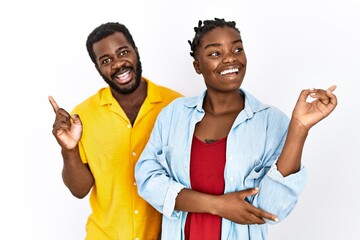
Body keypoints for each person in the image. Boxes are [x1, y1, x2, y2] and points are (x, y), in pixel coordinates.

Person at [135, 18, 337, 240]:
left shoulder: (271, 122)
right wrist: (217, 205)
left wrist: (299, 128)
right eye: (215, 53)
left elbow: (272, 210)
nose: (231, 58)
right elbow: (147, 180)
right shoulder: (174, 114)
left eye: (237, 49)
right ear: (197, 66)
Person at [48, 22, 182, 240]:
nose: (119, 63)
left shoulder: (176, 106)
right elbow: (79, 190)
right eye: (106, 60)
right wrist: (69, 150)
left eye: (123, 52)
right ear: (98, 68)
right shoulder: (82, 116)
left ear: (136, 52)